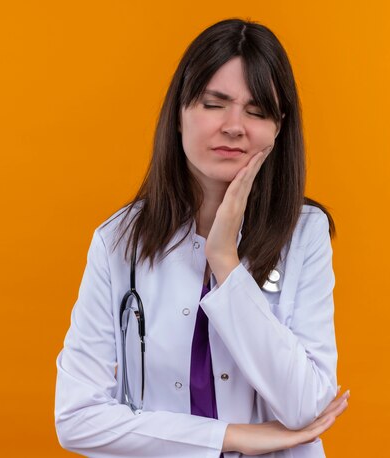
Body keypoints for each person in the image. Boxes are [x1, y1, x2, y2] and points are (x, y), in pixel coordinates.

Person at [55, 18, 349, 457]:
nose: (235, 126)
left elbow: (306, 407)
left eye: (256, 111)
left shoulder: (304, 234)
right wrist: (230, 437)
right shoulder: (118, 242)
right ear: (179, 113)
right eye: (215, 104)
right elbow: (76, 420)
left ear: (278, 128)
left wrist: (226, 262)